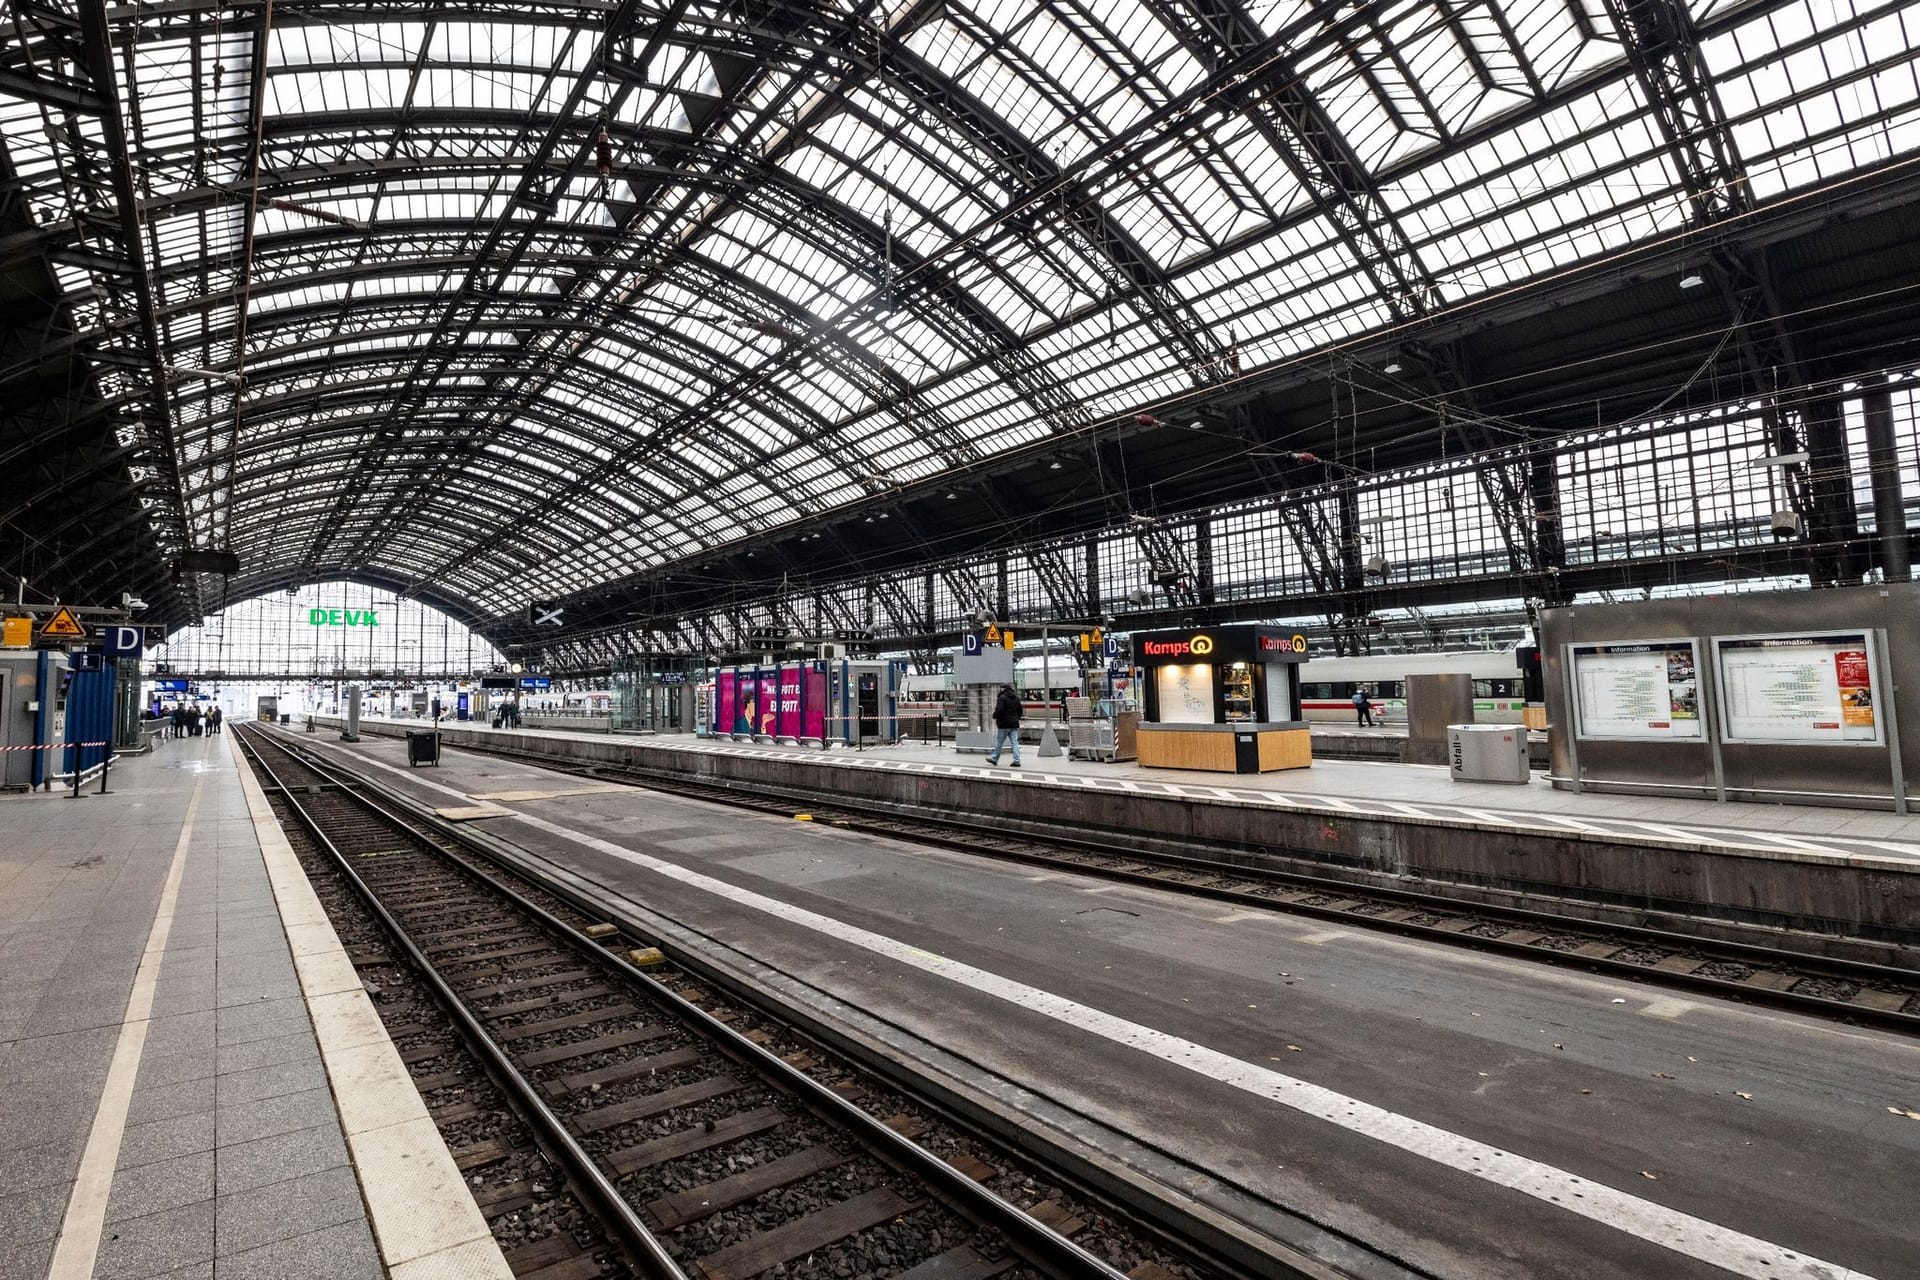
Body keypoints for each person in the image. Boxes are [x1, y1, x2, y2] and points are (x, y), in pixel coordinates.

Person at [986, 682, 1023, 767]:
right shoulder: (1016, 698)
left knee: (999, 742)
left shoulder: (1002, 698)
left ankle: (994, 759)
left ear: (1003, 689)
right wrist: (1016, 718)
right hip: (1014, 724)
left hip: (1004, 724)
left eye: (1001, 688)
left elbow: (1000, 710)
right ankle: (1017, 761)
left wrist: (995, 715)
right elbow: (1020, 710)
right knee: (1015, 743)